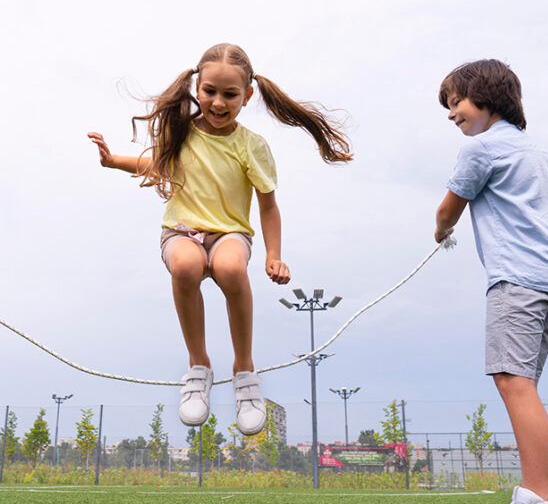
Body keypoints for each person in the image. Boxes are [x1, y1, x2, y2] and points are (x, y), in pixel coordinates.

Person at [88, 43, 351, 436]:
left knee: (228, 268)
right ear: (197, 88)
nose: (218, 102)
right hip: (182, 231)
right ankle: (199, 368)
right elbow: (154, 163)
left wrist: (273, 254)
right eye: (210, 91)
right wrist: (112, 162)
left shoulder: (252, 145)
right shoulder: (182, 134)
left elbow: (267, 207)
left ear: (247, 96)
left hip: (230, 233)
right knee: (185, 264)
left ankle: (244, 372)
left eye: (230, 94)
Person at [433, 59, 548, 504]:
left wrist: (441, 230)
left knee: (514, 383)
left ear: (485, 96)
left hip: (517, 280)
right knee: (522, 383)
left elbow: (449, 206)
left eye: (456, 103)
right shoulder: (533, 149)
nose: (452, 115)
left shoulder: (482, 150)